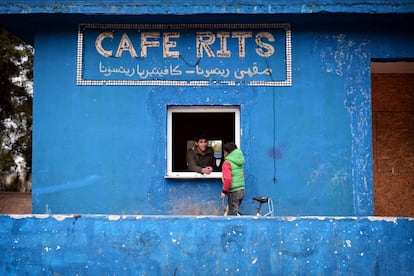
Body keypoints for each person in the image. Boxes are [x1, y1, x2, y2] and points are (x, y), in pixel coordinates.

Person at [220, 142, 245, 216]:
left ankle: (233, 227)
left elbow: (228, 179)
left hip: (233, 192)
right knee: (234, 211)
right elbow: (243, 174)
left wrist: (224, 191)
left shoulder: (227, 163)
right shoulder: (238, 161)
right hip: (242, 190)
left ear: (226, 153)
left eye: (224, 152)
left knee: (231, 215)